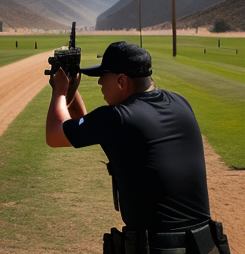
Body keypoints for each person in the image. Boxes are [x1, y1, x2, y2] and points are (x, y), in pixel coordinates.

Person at [45, 41, 229, 254]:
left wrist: (59, 91)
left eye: (103, 78)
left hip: (159, 248)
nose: (100, 84)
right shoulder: (180, 103)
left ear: (121, 81)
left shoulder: (117, 118)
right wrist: (71, 92)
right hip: (207, 246)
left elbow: (54, 135)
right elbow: (83, 127)